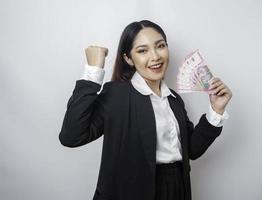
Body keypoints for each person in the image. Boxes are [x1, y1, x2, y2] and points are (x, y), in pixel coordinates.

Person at [59, 20, 232, 200]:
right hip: (132, 191)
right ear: (128, 58)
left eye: (160, 46)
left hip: (176, 189)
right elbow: (71, 136)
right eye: (142, 50)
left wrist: (216, 110)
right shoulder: (116, 95)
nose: (155, 56)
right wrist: (93, 71)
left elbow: (192, 150)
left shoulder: (174, 99)